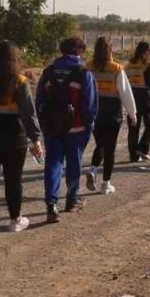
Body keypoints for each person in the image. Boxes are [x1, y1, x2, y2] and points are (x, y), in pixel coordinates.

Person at [0, 41, 42, 236]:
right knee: (13, 180)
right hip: (14, 136)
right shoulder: (20, 81)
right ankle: (15, 220)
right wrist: (35, 138)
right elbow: (28, 113)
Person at [37, 37, 96, 220]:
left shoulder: (49, 72)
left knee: (53, 164)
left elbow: (39, 101)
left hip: (52, 128)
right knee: (74, 164)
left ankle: (51, 205)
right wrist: (89, 124)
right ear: (79, 51)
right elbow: (90, 105)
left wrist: (45, 124)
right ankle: (71, 200)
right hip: (76, 128)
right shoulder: (84, 73)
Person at [85, 37, 138, 195]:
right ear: (110, 50)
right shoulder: (116, 68)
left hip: (94, 111)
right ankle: (106, 183)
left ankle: (93, 169)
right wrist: (132, 114)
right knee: (110, 148)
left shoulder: (88, 67)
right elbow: (125, 92)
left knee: (100, 143)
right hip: (112, 112)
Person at [126, 42, 150, 162]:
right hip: (145, 97)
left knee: (133, 127)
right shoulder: (147, 65)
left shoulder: (129, 65)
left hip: (131, 97)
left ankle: (133, 155)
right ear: (143, 52)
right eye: (149, 51)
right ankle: (142, 148)